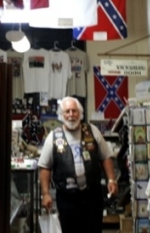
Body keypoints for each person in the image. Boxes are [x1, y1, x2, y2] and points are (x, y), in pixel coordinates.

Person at [38, 96, 118, 233]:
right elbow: (45, 167)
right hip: (66, 199)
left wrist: (111, 179)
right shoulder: (53, 137)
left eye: (74, 111)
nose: (71, 115)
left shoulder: (93, 131)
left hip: (92, 196)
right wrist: (45, 193)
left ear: (80, 113)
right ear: (61, 115)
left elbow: (105, 157)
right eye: (67, 112)